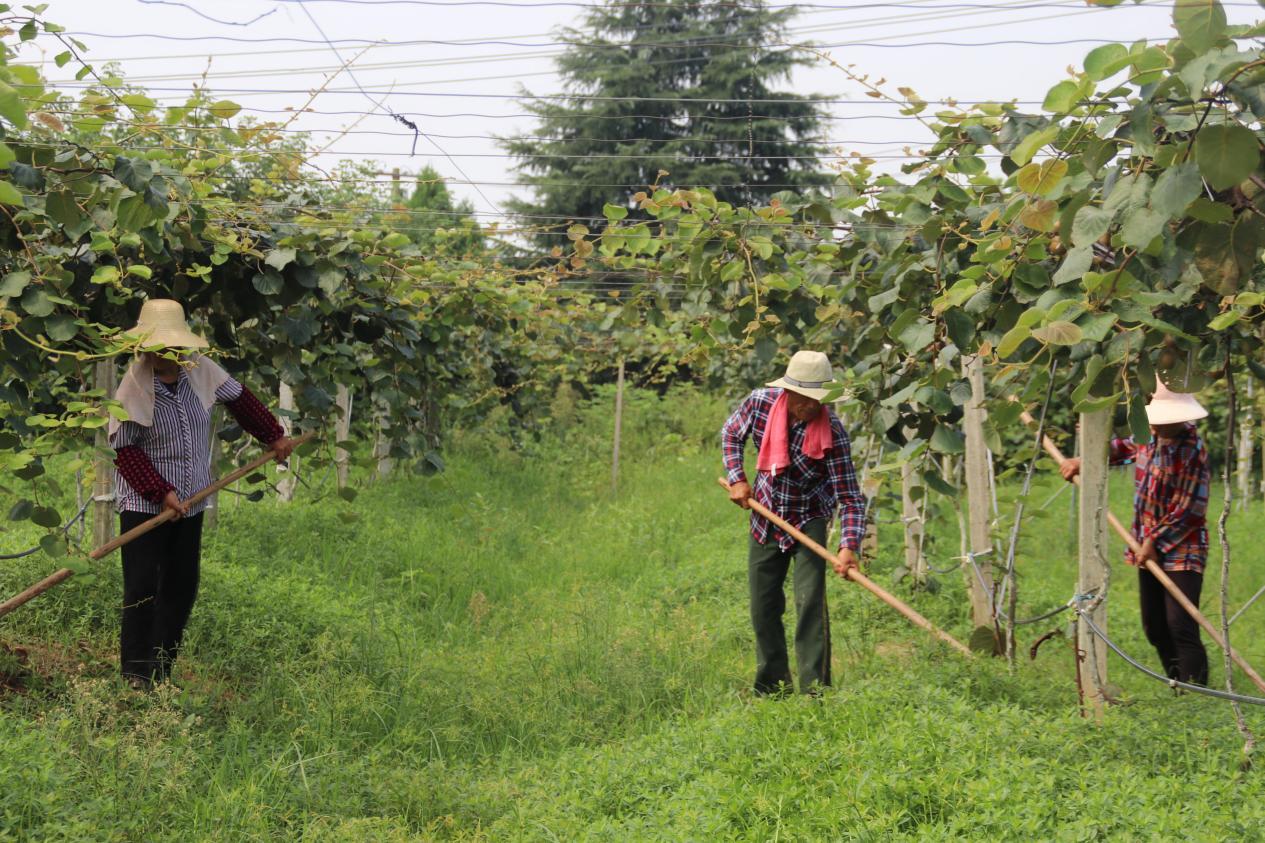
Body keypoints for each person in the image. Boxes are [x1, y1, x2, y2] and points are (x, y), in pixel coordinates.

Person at [108, 299, 296, 691]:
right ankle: (135, 676)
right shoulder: (134, 387)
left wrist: (272, 436)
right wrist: (160, 492)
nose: (165, 354)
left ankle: (161, 672)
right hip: (145, 505)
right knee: (143, 586)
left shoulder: (200, 370)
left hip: (191, 500)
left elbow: (239, 400)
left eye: (170, 346)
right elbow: (125, 450)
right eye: (156, 347)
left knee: (180, 585)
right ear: (143, 347)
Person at [721, 350, 867, 696]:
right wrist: (738, 478)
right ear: (788, 392)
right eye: (805, 398)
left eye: (819, 399)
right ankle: (773, 687)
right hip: (766, 514)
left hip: (809, 518)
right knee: (763, 605)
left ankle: (816, 692)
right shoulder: (760, 404)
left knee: (810, 603)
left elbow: (848, 496)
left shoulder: (833, 432)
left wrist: (848, 546)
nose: (812, 406)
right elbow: (731, 434)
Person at [1059, 382, 1210, 686]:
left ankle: (1197, 694)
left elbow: (1189, 508)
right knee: (1154, 625)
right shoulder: (1148, 437)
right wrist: (1081, 460)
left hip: (1182, 547)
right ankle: (1178, 684)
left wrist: (1153, 540)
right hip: (1145, 544)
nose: (1160, 424)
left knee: (1180, 624)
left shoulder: (1193, 448)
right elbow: (1119, 449)